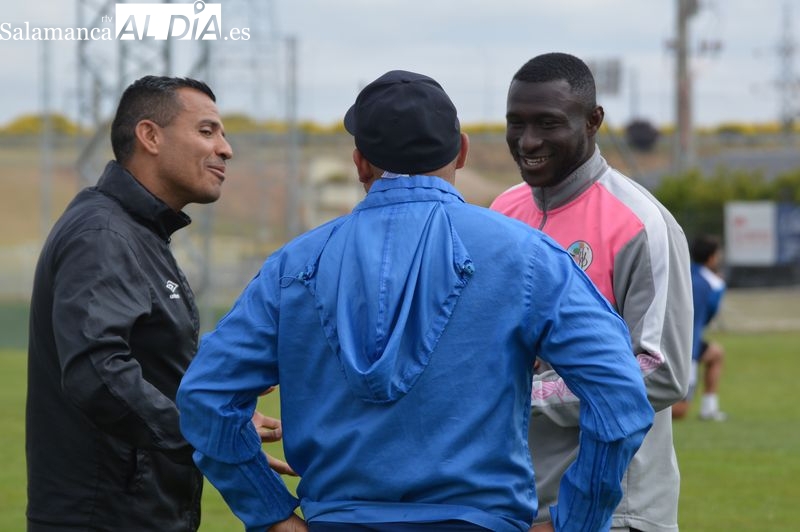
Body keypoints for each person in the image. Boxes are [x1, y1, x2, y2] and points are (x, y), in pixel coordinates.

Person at [177, 70, 655, 532]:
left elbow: (206, 397)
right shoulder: (528, 258)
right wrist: (575, 521)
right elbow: (620, 396)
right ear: (461, 152)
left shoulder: (294, 267)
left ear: (360, 162)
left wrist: (272, 513)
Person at [25, 75, 243, 532]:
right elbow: (98, 372)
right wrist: (203, 430)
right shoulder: (104, 234)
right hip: (103, 518)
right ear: (150, 136)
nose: (225, 149)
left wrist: (219, 409)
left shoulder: (137, 232)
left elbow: (149, 362)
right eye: (207, 131)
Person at [490, 53, 692, 532]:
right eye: (516, 123)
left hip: (615, 510)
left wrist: (530, 393)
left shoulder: (641, 223)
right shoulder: (502, 212)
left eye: (548, 123)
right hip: (513, 504)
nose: (528, 141)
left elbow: (662, 371)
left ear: (593, 121)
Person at [672, 234, 727, 421]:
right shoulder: (714, 283)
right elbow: (707, 316)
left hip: (669, 339)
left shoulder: (681, 272)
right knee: (679, 411)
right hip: (688, 348)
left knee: (716, 353)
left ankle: (709, 410)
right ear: (711, 258)